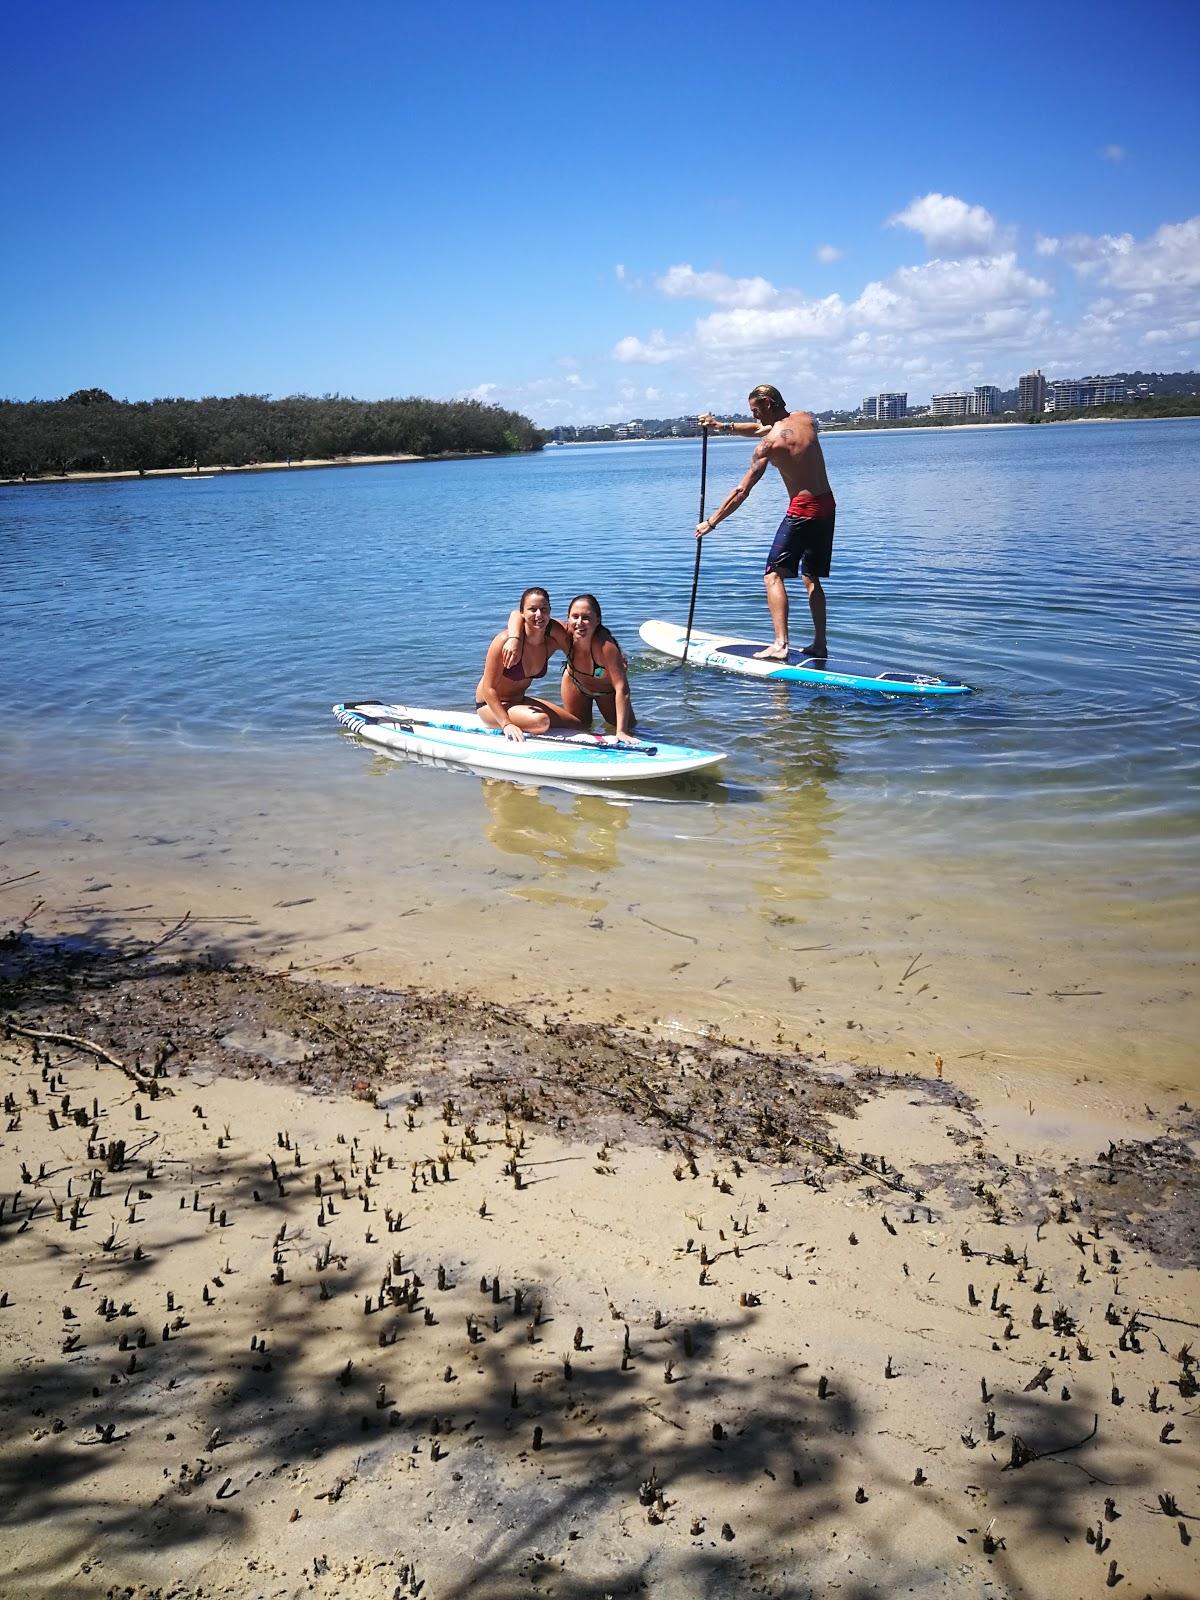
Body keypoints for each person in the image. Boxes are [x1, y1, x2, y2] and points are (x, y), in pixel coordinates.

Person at [696, 384, 836, 660]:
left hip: (802, 510)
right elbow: (763, 429)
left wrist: (710, 523)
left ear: (769, 403)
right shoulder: (806, 419)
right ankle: (820, 643)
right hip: (827, 506)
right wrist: (722, 426)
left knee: (772, 575)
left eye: (756, 410)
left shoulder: (769, 445)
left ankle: (780, 644)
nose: (756, 417)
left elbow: (741, 491)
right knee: (811, 578)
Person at [502, 594, 636, 739]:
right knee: (578, 729)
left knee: (630, 728)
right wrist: (513, 639)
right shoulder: (564, 634)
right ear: (568, 619)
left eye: (586, 618)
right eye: (575, 616)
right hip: (575, 685)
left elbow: (622, 689)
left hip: (605, 692)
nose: (579, 622)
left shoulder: (605, 646)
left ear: (597, 620)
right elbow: (517, 614)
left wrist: (621, 732)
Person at [475, 587, 571, 742]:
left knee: (576, 724)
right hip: (490, 705)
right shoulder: (504, 642)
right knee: (541, 722)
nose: (539, 615)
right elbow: (488, 688)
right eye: (532, 609)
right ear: (522, 613)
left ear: (550, 611)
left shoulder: (551, 641)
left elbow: (581, 637)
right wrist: (506, 724)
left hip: (519, 700)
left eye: (543, 609)